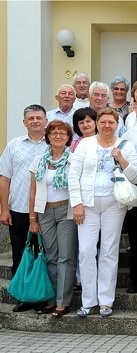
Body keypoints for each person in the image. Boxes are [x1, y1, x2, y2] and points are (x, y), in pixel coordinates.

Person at [68, 108, 137, 318]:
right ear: (97, 123)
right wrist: (77, 204)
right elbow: (74, 175)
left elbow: (136, 177)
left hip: (114, 204)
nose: (107, 126)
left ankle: (106, 302)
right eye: (103, 122)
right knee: (86, 251)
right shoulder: (85, 144)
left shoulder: (125, 145)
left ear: (117, 124)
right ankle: (88, 301)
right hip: (87, 205)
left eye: (111, 122)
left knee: (109, 251)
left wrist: (122, 159)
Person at [0, 104, 48, 312]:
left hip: (48, 210)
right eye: (31, 118)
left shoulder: (54, 143)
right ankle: (24, 297)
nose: (35, 121)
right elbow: (4, 178)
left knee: (46, 255)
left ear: (45, 120)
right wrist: (4, 208)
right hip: (19, 208)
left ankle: (43, 297)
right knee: (21, 254)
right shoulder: (14, 145)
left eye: (39, 118)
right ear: (24, 122)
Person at [28, 120, 77, 317]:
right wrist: (33, 218)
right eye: (54, 132)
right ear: (48, 136)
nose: (58, 136)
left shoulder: (74, 160)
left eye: (62, 133)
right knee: (50, 257)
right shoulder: (39, 160)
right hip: (44, 211)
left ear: (68, 138)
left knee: (66, 257)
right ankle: (50, 298)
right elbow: (32, 192)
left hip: (67, 210)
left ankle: (63, 302)